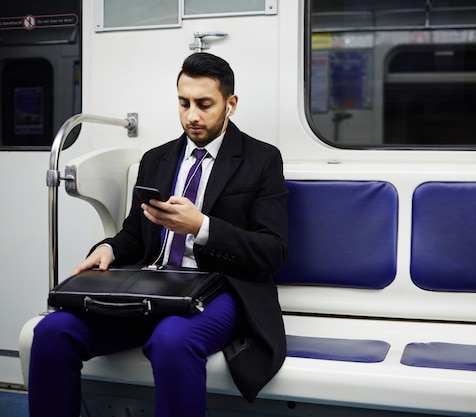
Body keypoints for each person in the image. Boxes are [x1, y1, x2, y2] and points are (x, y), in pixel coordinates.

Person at [28, 52, 289, 417]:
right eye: (184, 103)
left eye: (204, 104)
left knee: (172, 340)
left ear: (231, 104)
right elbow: (134, 235)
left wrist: (201, 227)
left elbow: (272, 251)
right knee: (53, 332)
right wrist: (108, 249)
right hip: (153, 287)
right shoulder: (157, 159)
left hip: (220, 288)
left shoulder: (261, 159)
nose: (192, 116)